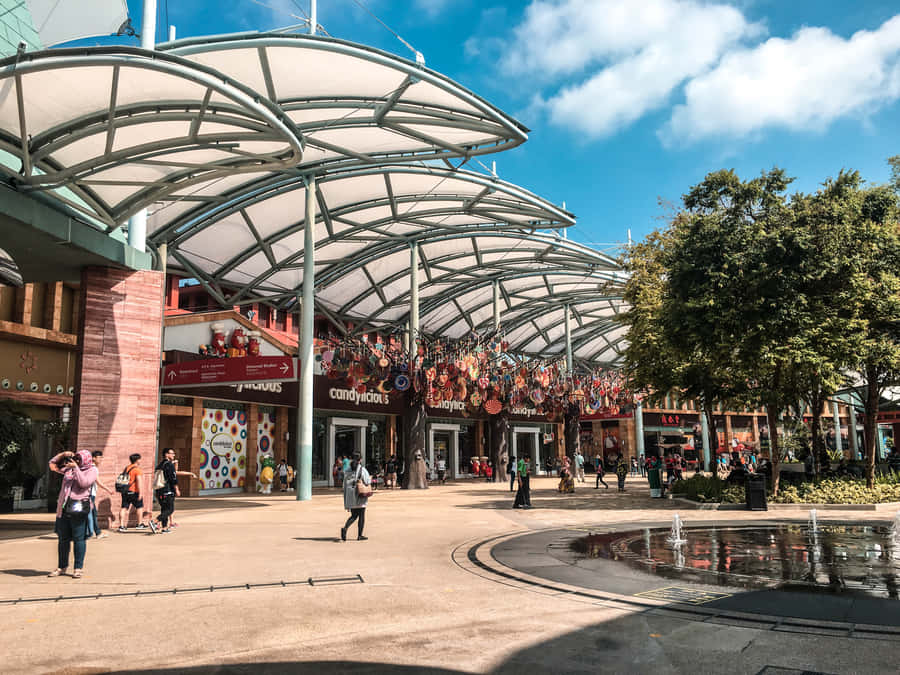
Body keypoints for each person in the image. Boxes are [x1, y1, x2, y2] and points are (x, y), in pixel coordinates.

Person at [48, 449, 98, 578]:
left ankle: (78, 568)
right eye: (76, 459)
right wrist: (63, 454)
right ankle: (62, 566)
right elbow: (52, 465)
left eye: (79, 459)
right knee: (63, 539)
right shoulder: (68, 469)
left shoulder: (92, 470)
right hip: (64, 508)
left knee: (78, 538)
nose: (76, 461)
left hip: (78, 507)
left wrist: (76, 468)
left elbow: (84, 483)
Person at [151, 448, 196, 534]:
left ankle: (164, 528)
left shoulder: (160, 465)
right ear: (166, 454)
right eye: (172, 453)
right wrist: (177, 489)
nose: (173, 455)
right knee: (170, 510)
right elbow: (173, 478)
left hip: (159, 490)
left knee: (164, 509)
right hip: (167, 490)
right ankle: (155, 522)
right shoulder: (169, 465)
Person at [341, 452, 371, 541]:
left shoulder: (347, 470)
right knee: (361, 515)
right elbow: (367, 481)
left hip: (351, 496)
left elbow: (344, 485)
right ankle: (359, 535)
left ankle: (345, 528)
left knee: (354, 516)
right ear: (360, 459)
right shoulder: (362, 469)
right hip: (360, 495)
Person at [118, 453, 151, 532]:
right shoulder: (137, 470)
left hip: (125, 491)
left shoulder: (127, 468)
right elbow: (139, 482)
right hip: (134, 491)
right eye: (140, 459)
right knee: (139, 507)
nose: (140, 461)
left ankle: (121, 526)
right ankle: (139, 524)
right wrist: (141, 493)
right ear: (137, 460)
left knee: (124, 507)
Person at [87, 450, 113, 540]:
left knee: (93, 513)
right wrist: (108, 489)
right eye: (99, 457)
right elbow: (98, 482)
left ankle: (96, 532)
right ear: (93, 458)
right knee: (90, 514)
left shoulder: (88, 467)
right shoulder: (93, 468)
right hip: (90, 495)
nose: (101, 459)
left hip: (89, 494)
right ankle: (89, 533)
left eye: (102, 457)